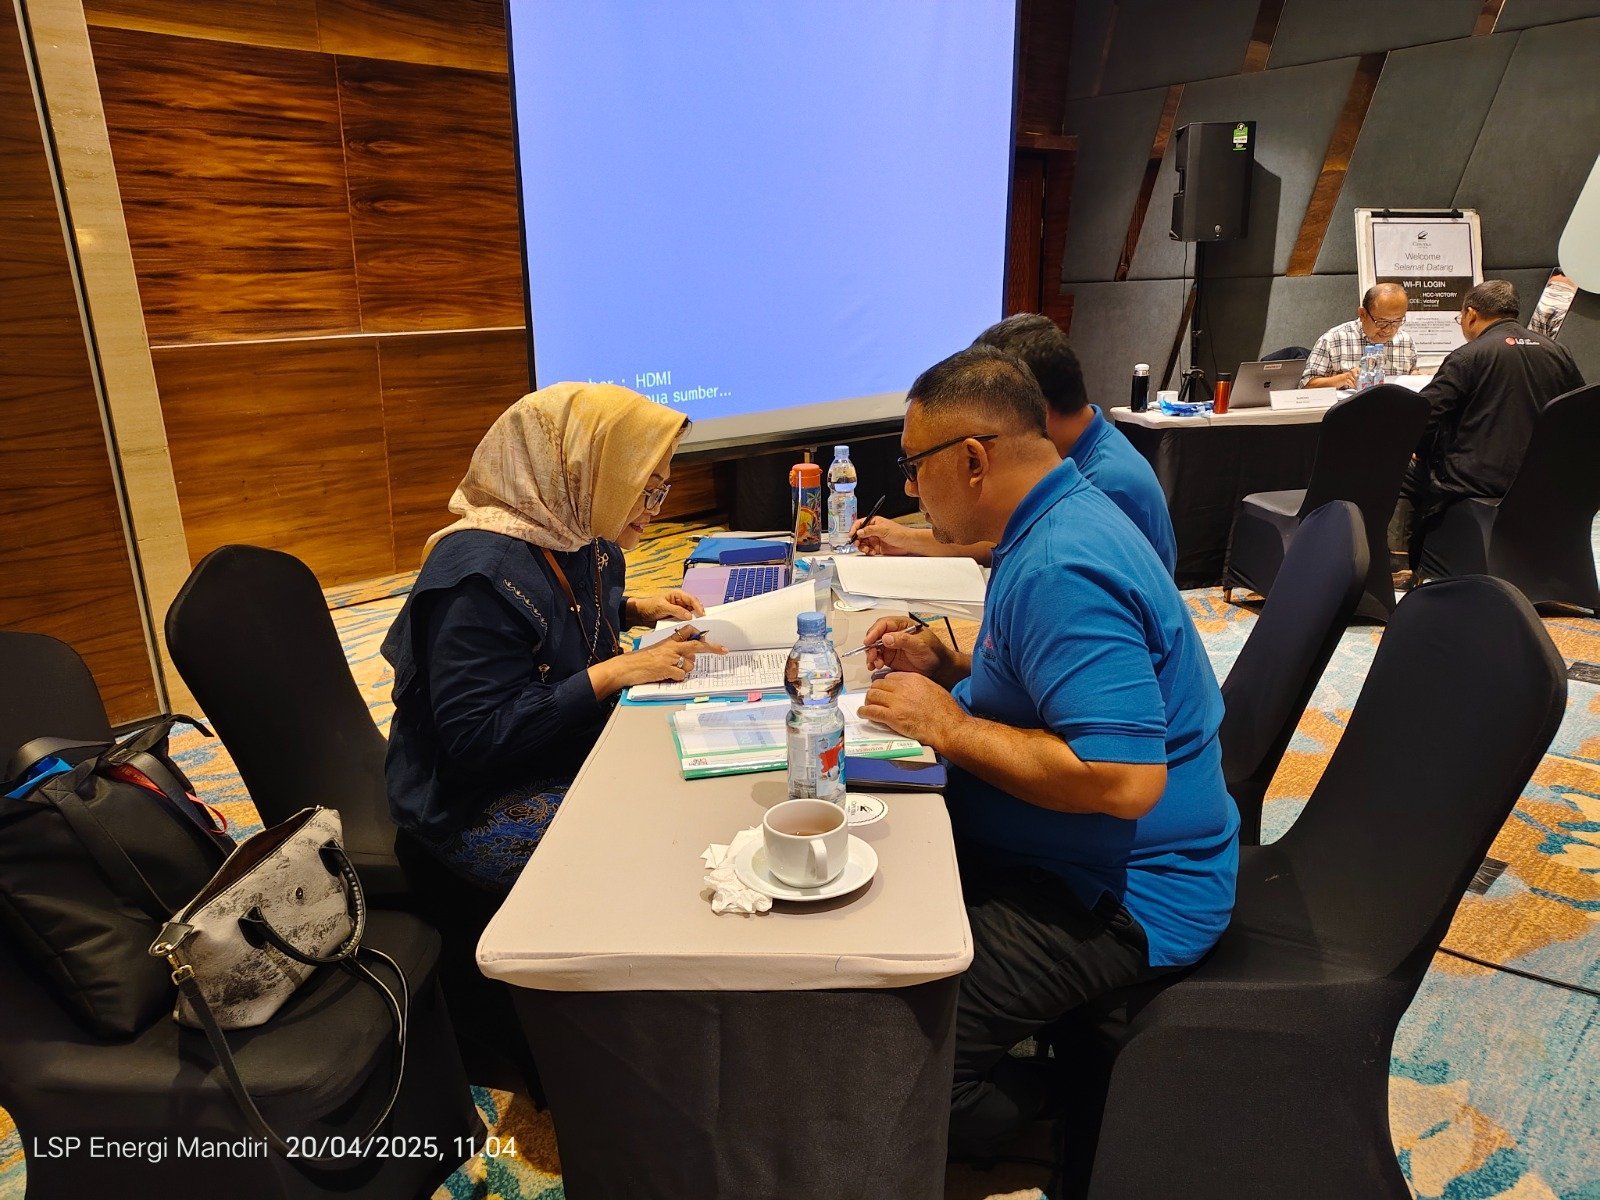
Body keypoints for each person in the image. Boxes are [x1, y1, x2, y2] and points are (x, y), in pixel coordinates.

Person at [857, 347, 1237, 1158]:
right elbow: (1040, 681)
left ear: (972, 459)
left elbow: (1124, 781)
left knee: (889, 1068)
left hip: (1125, 896)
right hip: (1073, 859)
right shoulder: (1054, 517)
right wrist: (949, 664)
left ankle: (1088, 1106)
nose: (912, 490)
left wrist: (950, 727)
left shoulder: (1062, 565)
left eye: (914, 467)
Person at [381, 383, 726, 892]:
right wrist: (616, 671)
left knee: (692, 790)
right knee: (664, 849)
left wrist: (631, 608)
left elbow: (555, 619)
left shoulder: (575, 534)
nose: (655, 507)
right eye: (645, 488)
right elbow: (478, 739)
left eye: (662, 490)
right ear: (585, 473)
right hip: (474, 803)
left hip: (559, 749)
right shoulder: (479, 579)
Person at [853, 314, 1178, 574]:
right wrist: (909, 539)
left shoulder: (1106, 486)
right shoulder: (1067, 469)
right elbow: (1003, 539)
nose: (911, 488)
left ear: (1033, 408)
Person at [1404, 279, 1585, 568]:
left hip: (1477, 480)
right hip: (1542, 479)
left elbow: (1422, 416)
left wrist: (1420, 450)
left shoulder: (1467, 356)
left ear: (1470, 314)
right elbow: (1578, 412)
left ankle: (1404, 565)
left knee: (1403, 471)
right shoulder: (1557, 351)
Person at [1299, 282, 1418, 387]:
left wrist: (1416, 377)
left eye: (1397, 322)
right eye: (1381, 322)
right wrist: (1342, 379)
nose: (1388, 330)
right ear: (1362, 314)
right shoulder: (1333, 340)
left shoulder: (1405, 341)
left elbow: (1413, 375)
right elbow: (1306, 386)